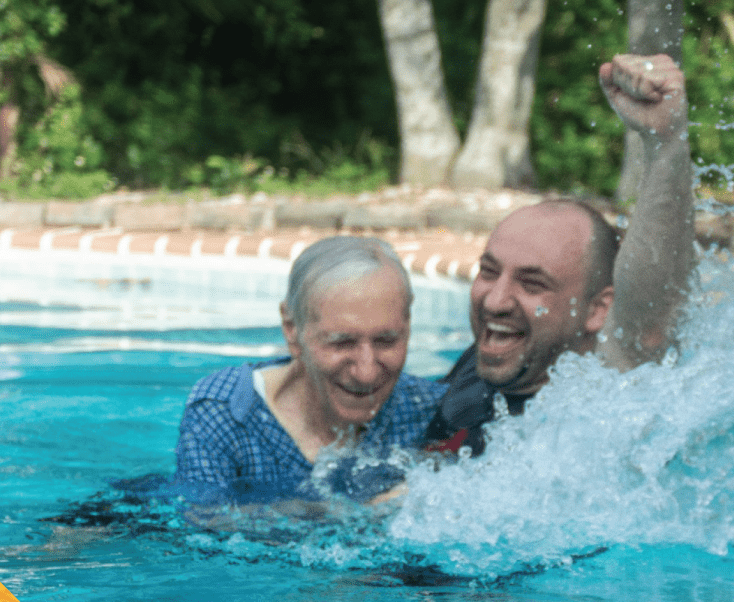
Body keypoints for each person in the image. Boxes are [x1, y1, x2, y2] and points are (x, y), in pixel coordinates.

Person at [425, 53, 695, 456]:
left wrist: (667, 144)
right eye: (488, 271)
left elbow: (651, 318)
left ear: (596, 310)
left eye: (532, 283)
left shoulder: (599, 402)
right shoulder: (495, 358)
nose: (495, 300)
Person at [173, 236, 447, 504]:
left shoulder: (429, 410)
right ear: (292, 330)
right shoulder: (227, 413)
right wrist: (366, 516)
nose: (367, 372)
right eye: (342, 342)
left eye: (387, 341)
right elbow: (202, 523)